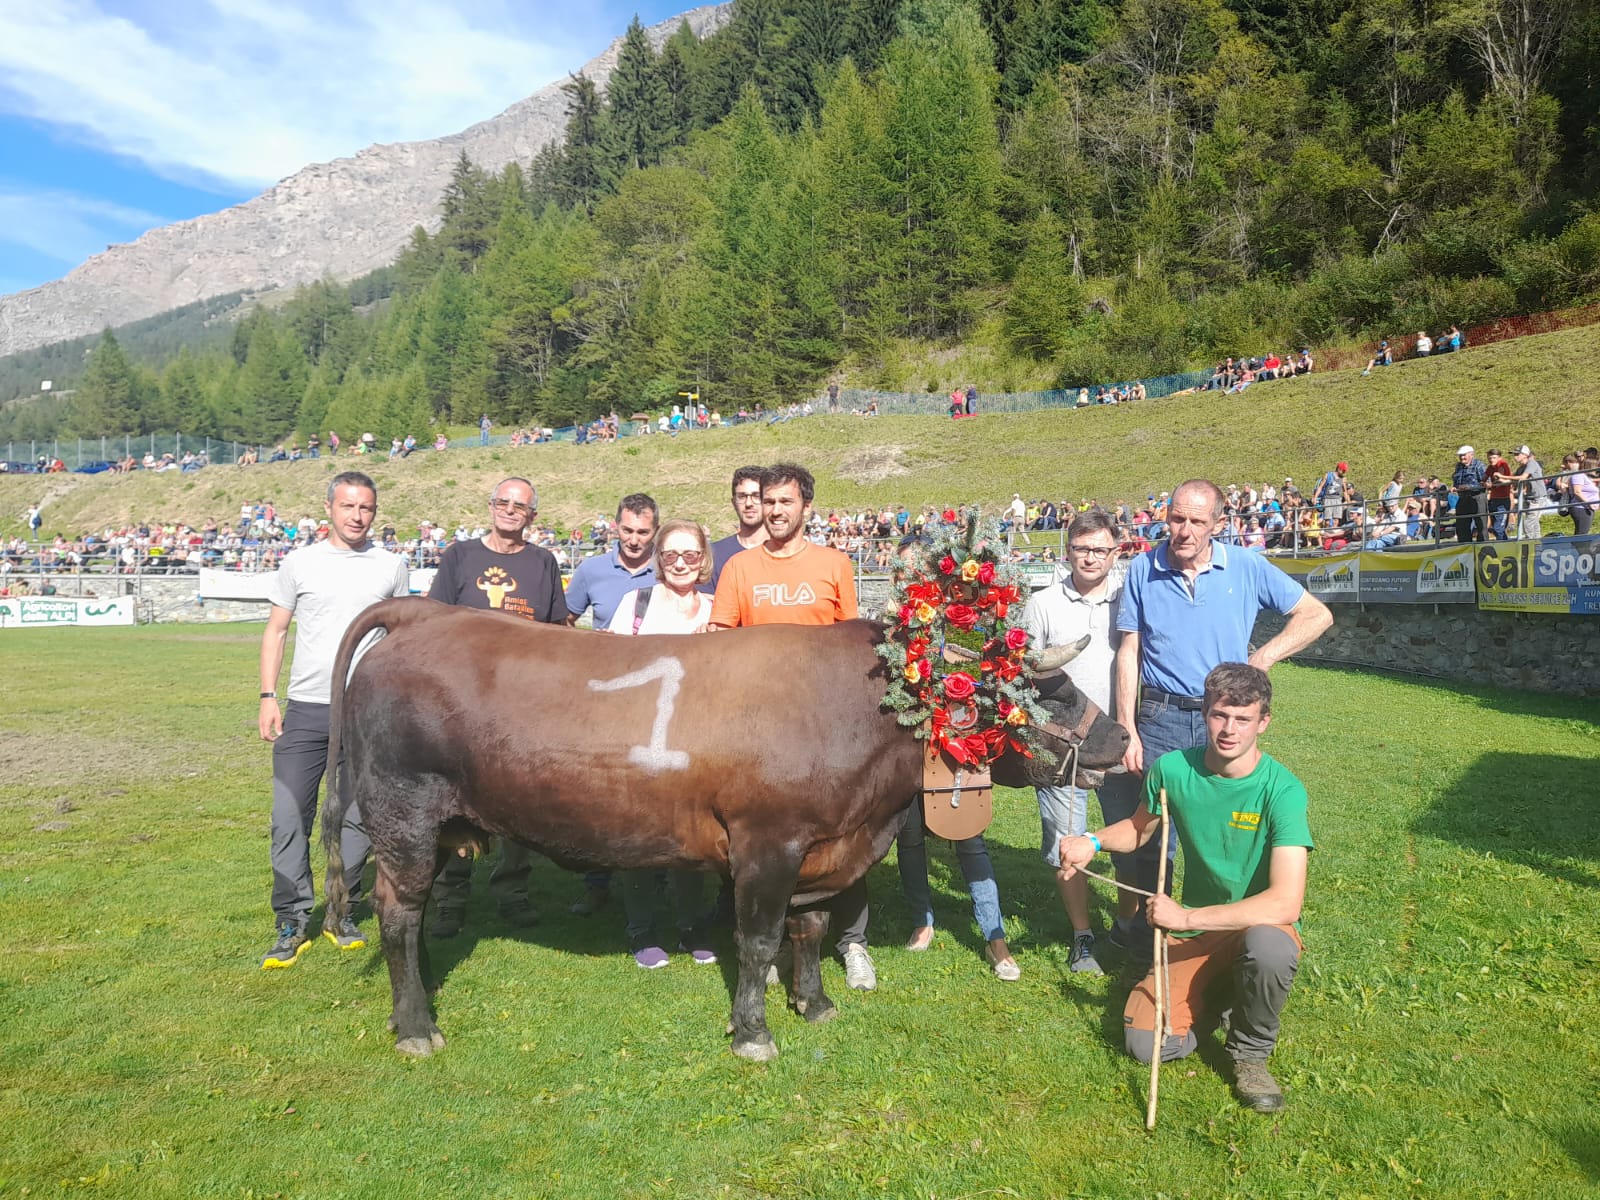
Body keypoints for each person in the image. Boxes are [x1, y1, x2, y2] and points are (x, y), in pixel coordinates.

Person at [1059, 663, 1311, 1114]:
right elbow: (1139, 829)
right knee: (1144, 1045)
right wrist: (1092, 842)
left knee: (1270, 949)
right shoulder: (1173, 770)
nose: (1229, 730)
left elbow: (1285, 902)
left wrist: (1186, 917)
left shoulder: (1283, 791)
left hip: (1255, 924)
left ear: (1263, 722)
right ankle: (1220, 997)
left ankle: (1250, 1053)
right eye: (1219, 715)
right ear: (1204, 712)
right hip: (1194, 933)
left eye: (1243, 719)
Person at [1114, 480, 1330, 953]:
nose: (1183, 530)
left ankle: (1229, 938)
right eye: (1176, 518)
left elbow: (1316, 615)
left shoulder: (1248, 566)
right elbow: (1128, 652)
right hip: (1162, 716)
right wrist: (1127, 726)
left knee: (1229, 832)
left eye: (1196, 521)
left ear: (1218, 524)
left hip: (1225, 720)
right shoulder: (1141, 568)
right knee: (1155, 836)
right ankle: (1155, 945)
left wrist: (1264, 659)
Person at [709, 463, 875, 990]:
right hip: (758, 730)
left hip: (825, 725)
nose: (776, 511)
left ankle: (853, 943)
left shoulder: (834, 564)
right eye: (769, 501)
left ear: (806, 506)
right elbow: (719, 640)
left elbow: (852, 645)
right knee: (766, 843)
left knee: (843, 836)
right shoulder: (738, 566)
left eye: (786, 502)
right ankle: (774, 945)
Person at [257, 471, 411, 969]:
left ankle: (342, 910)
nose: (357, 516)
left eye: (366, 508)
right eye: (348, 506)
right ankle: (292, 917)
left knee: (358, 818)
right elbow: (276, 631)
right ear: (329, 508)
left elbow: (398, 642)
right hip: (305, 710)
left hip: (366, 714)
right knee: (289, 817)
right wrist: (267, 696)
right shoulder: (300, 563)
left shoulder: (392, 566)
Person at [424, 477, 566, 938]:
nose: (509, 510)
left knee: (517, 801)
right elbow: (432, 624)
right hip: (461, 703)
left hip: (522, 705)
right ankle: (450, 896)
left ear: (532, 517)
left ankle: (513, 891)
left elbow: (556, 631)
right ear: (490, 507)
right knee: (455, 801)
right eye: (502, 503)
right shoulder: (460, 556)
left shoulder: (542, 562)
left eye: (519, 506)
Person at [1021, 509, 1143, 976]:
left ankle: (1127, 925)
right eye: (1081, 548)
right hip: (1063, 751)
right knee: (1067, 844)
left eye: (1100, 549)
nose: (1090, 557)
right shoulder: (1043, 603)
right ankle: (1082, 936)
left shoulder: (1130, 601)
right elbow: (1025, 674)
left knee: (1128, 840)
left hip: (1120, 741)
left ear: (1116, 552)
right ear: (1066, 550)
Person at [604, 518, 719, 968]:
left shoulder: (715, 609)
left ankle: (692, 926)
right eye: (671, 554)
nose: (680, 563)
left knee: (691, 837)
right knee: (639, 837)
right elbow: (612, 661)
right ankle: (642, 930)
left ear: (703, 559)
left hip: (697, 739)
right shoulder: (637, 603)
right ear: (658, 558)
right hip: (640, 736)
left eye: (690, 554)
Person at [563, 492, 659, 915]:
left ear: (655, 531)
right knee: (601, 790)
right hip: (607, 698)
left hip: (657, 699)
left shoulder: (671, 567)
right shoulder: (591, 569)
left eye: (643, 532)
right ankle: (596, 881)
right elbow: (565, 622)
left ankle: (660, 875)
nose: (635, 540)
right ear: (614, 527)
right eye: (628, 530)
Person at [709, 466, 767, 592]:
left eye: (756, 496)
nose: (749, 503)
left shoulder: (783, 551)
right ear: (734, 502)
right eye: (742, 496)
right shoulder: (713, 554)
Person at [1508, 445, 1549, 540]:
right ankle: (1537, 541)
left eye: (1517, 454)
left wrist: (1504, 477)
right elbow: (1513, 480)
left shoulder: (1532, 463)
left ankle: (1529, 543)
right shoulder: (1521, 468)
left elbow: (1522, 477)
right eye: (1514, 454)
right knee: (1533, 522)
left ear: (1525, 455)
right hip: (1529, 497)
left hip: (1537, 498)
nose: (1515, 457)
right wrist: (1499, 481)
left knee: (1529, 522)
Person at [1451, 446, 1488, 544]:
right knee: (1461, 524)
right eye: (1460, 456)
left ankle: (1483, 546)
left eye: (1464, 455)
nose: (1462, 457)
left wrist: (1470, 487)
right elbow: (1456, 479)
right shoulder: (1458, 466)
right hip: (1463, 497)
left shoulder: (1479, 465)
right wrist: (1455, 487)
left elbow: (1485, 483)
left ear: (1471, 455)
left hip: (1477, 497)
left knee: (1481, 524)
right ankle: (1464, 547)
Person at [1484, 449, 1513, 541]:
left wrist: (1491, 485)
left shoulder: (1502, 465)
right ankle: (1501, 544)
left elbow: (1506, 481)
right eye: (1489, 458)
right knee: (1495, 528)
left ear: (1499, 458)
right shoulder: (1490, 467)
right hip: (1493, 499)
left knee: (1499, 528)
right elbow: (1483, 478)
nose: (1491, 460)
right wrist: (1482, 482)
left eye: (1494, 458)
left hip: (1503, 500)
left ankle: (1505, 545)